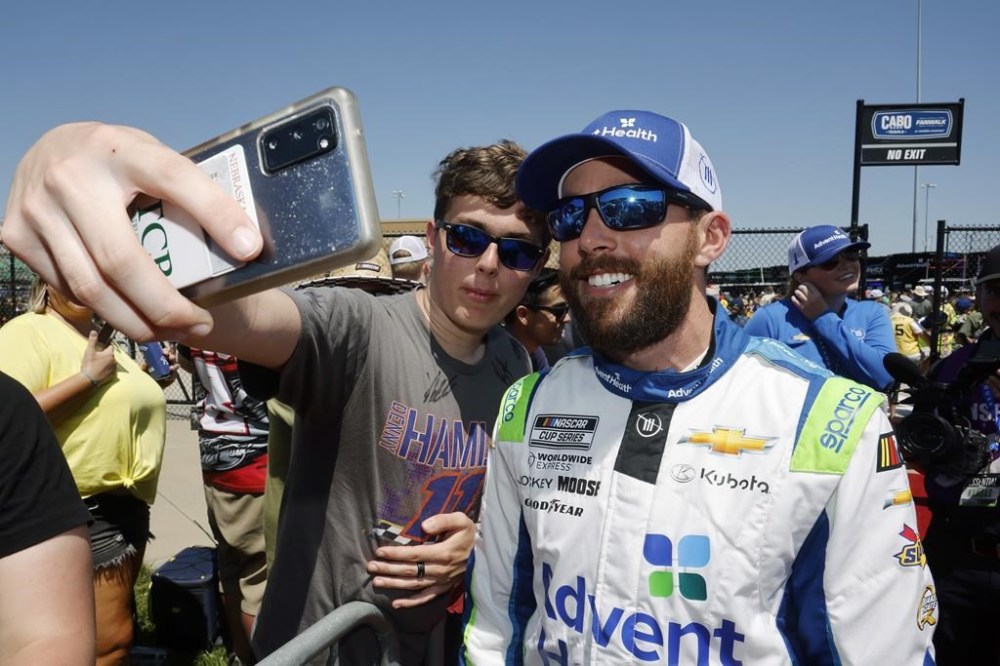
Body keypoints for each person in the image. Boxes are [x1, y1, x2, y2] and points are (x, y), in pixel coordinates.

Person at [1, 125, 549, 664]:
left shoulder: (515, 366)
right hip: (320, 643)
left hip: (428, 645)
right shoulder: (357, 327)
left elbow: (504, 511)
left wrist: (473, 540)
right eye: (469, 237)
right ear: (433, 237)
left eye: (518, 252)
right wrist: (100, 201)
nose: (488, 264)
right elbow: (236, 318)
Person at [461, 109, 936, 664]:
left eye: (630, 207)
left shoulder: (832, 420)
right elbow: (497, 627)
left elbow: (882, 651)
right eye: (567, 217)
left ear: (710, 238)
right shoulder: (529, 403)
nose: (589, 238)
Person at [0, 278, 170, 665]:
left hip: (124, 509)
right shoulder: (27, 332)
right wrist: (87, 378)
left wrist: (146, 378)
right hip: (76, 510)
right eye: (65, 276)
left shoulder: (96, 337)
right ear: (44, 281)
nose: (80, 284)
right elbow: (12, 418)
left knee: (112, 634)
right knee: (105, 644)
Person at [913, 244, 1000, 664]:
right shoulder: (953, 369)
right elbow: (923, 449)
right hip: (958, 555)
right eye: (996, 290)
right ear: (980, 298)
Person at [178, 345, 270, 664]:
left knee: (232, 565)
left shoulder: (201, 306)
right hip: (256, 457)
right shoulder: (252, 312)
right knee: (260, 575)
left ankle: (239, 653)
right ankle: (263, 657)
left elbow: (184, 360)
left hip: (217, 454)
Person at [0, 370, 95, 665]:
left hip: (51, 508)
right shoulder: (26, 335)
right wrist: (88, 378)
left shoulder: (7, 403)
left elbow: (46, 637)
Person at [744, 225, 895, 390]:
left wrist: (823, 318)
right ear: (800, 275)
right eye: (831, 261)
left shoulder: (872, 313)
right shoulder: (771, 319)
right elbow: (746, 384)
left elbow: (885, 377)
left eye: (851, 255)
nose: (846, 265)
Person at [503, 267, 571, 372]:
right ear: (523, 315)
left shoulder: (535, 355)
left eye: (567, 309)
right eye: (559, 310)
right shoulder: (496, 360)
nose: (567, 319)